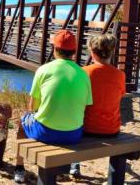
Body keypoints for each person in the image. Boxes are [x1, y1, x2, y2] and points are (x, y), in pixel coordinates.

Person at [14, 30, 93, 183]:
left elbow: (32, 106)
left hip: (46, 133)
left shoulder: (43, 70)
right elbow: (85, 106)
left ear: (55, 49)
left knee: (22, 122)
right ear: (74, 52)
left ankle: (19, 168)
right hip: (74, 135)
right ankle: (72, 165)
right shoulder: (83, 74)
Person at [69, 34, 126, 176]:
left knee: (74, 117)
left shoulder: (84, 72)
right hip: (112, 131)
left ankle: (74, 164)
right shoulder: (120, 75)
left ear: (92, 53)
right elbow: (120, 95)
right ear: (112, 52)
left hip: (86, 130)